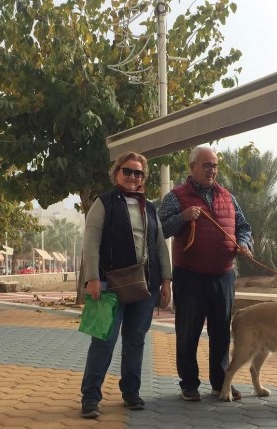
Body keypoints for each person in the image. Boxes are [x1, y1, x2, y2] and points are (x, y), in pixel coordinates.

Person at [80, 151, 172, 419]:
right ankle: (90, 397)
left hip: (146, 286)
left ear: (144, 177)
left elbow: (160, 247)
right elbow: (91, 241)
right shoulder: (104, 203)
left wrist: (166, 280)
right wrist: (93, 278)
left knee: (135, 341)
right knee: (104, 340)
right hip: (111, 283)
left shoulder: (150, 207)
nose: (133, 177)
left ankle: (131, 393)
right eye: (128, 171)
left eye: (138, 173)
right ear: (116, 173)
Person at [159, 145, 253, 402]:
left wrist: (244, 243)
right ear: (192, 167)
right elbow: (160, 230)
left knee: (221, 332)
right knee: (188, 331)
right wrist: (183, 216)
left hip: (223, 276)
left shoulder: (228, 196)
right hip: (189, 275)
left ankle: (221, 382)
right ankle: (189, 383)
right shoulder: (176, 197)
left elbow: (244, 226)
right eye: (206, 165)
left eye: (215, 166)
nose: (212, 170)